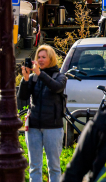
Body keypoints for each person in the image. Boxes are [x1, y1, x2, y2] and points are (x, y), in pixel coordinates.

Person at [18, 44, 67, 182]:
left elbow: (56, 88)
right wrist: (25, 79)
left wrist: (40, 74)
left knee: (54, 167)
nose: (40, 60)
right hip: (33, 127)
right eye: (38, 57)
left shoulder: (60, 76)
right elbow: (22, 97)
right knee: (34, 166)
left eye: (43, 57)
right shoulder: (33, 77)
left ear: (51, 59)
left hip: (52, 127)